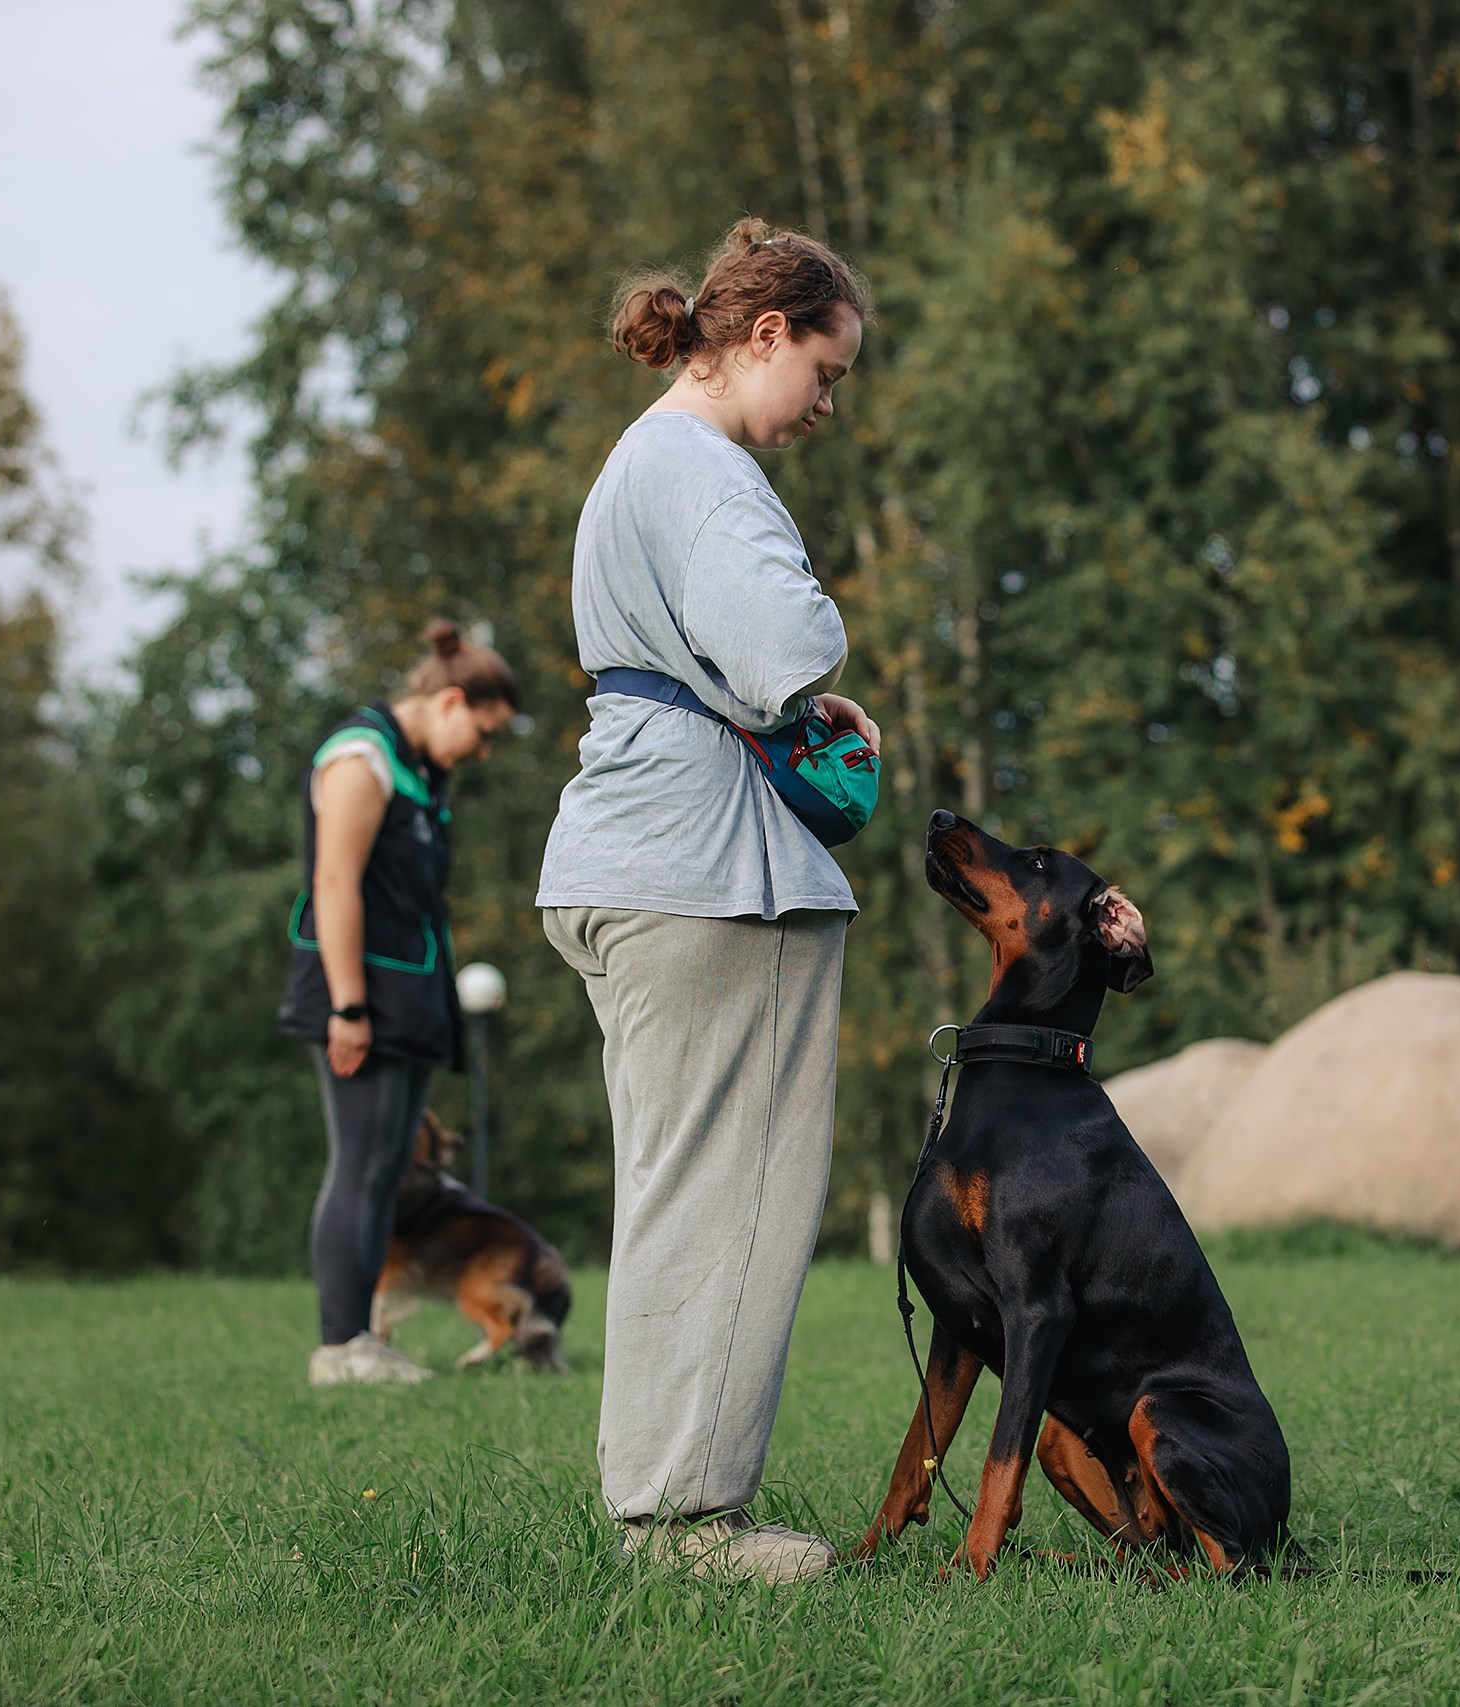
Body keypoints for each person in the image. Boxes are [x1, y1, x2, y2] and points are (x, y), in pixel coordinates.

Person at [536, 218, 877, 1582]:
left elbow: (700, 662)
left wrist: (764, 706)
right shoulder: (706, 467)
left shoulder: (640, 458)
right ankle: (686, 1522)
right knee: (734, 1191)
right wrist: (810, 673)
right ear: (765, 334)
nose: (826, 405)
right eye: (825, 372)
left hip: (626, 852)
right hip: (706, 874)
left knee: (674, 1188)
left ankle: (658, 1510)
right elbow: (788, 639)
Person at [281, 620, 523, 1383]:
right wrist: (349, 1008)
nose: (482, 751)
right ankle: (339, 1347)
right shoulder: (362, 759)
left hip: (411, 994)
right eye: (483, 733)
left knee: (389, 1171)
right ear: (451, 701)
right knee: (359, 1165)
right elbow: (334, 883)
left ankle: (366, 1339)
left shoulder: (419, 773)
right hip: (362, 998)